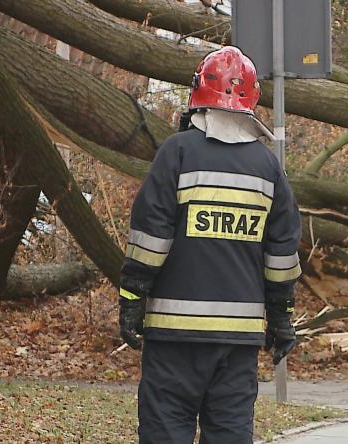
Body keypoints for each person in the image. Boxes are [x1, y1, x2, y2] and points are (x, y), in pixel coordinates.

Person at [118, 47, 301, 444]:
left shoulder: (177, 153)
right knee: (231, 434)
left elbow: (150, 236)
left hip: (174, 337)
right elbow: (283, 253)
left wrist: (132, 297)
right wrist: (282, 315)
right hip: (237, 343)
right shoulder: (268, 168)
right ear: (252, 99)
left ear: (197, 91)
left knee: (165, 430)